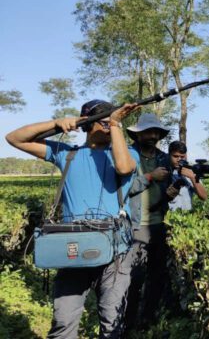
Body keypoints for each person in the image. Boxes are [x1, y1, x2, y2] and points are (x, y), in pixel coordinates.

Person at [5, 99, 139, 339]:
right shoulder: (67, 154)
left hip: (116, 251)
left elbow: (123, 168)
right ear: (87, 124)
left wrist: (116, 125)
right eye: (103, 122)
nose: (109, 126)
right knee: (63, 322)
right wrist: (57, 123)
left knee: (112, 323)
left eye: (112, 122)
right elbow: (15, 138)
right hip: (73, 249)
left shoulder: (128, 153)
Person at [124, 113, 172, 330]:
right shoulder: (127, 156)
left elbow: (164, 191)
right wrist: (150, 177)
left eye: (155, 132)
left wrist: (169, 194)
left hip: (158, 223)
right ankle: (127, 320)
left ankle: (147, 320)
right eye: (147, 132)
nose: (152, 136)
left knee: (156, 274)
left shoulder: (164, 158)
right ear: (138, 134)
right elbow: (124, 189)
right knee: (134, 276)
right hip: (135, 224)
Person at [166, 140, 208, 210]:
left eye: (182, 157)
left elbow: (204, 197)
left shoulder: (190, 171)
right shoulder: (163, 171)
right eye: (175, 156)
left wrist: (193, 177)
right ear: (169, 155)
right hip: (167, 217)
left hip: (187, 217)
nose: (179, 159)